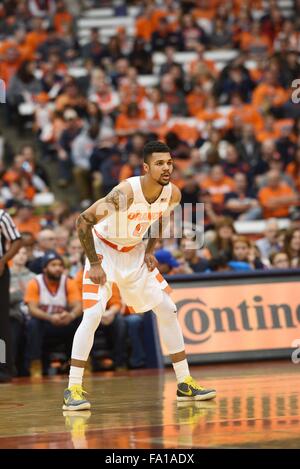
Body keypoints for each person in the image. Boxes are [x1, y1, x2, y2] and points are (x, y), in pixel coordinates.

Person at [63, 141, 216, 410]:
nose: (166, 167)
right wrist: (94, 263)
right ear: (146, 167)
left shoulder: (173, 194)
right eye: (159, 163)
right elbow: (83, 221)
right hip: (103, 250)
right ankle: (73, 388)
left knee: (168, 309)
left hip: (133, 252)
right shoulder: (125, 193)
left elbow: (161, 220)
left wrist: (150, 248)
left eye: (169, 162)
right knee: (94, 314)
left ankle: (185, 382)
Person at [24, 251, 82, 375]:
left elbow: (78, 305)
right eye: (53, 265)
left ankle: (79, 364)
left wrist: (70, 315)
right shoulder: (35, 283)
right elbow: (32, 309)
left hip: (64, 321)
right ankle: (35, 364)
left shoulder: (68, 282)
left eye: (60, 265)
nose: (58, 268)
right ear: (45, 268)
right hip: (45, 323)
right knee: (33, 324)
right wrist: (50, 317)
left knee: (81, 320)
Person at [0, 209, 22, 382]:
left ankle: (4, 368)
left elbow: (17, 240)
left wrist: (3, 260)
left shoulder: (2, 215)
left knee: (1, 321)